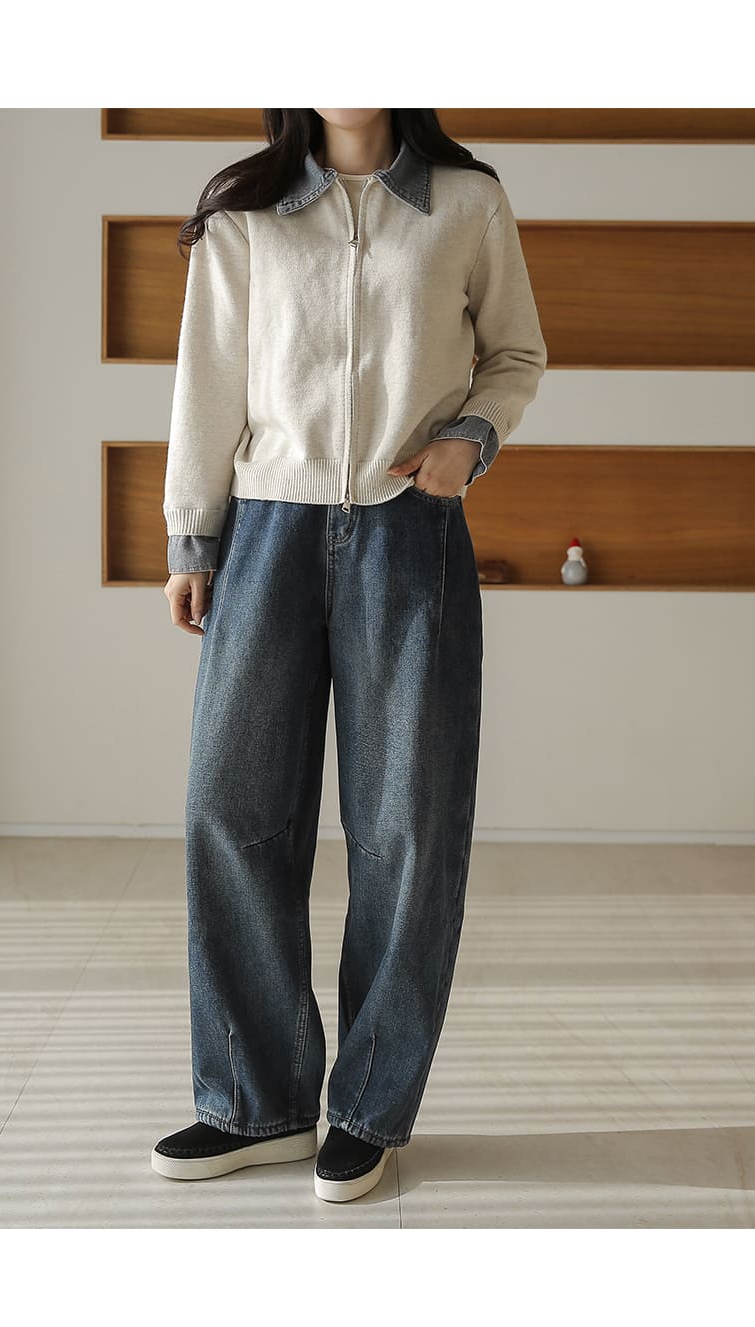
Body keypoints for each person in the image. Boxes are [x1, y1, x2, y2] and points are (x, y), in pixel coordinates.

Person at [150, 108, 547, 1203]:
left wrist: (468, 439)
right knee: (231, 808)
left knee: (406, 825)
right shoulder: (244, 213)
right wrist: (193, 535)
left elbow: (515, 352)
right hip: (266, 532)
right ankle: (255, 1102)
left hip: (407, 531)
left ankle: (368, 1108)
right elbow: (207, 379)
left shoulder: (466, 202)